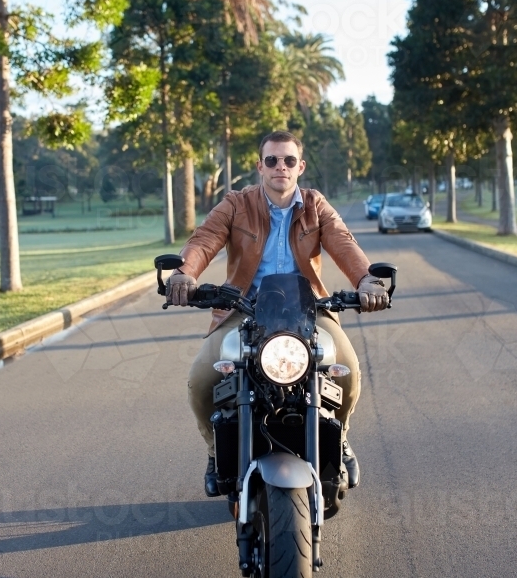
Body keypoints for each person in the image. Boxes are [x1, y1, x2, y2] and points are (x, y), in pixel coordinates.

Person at [165, 130, 388, 497]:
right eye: (272, 160)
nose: (280, 167)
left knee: (347, 371)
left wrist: (366, 280)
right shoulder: (236, 204)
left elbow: (343, 242)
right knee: (201, 380)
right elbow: (204, 239)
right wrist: (184, 273)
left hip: (308, 309)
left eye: (288, 160)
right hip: (244, 308)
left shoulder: (316, 205)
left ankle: (341, 439)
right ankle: (216, 451)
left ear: (300, 167)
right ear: (260, 166)